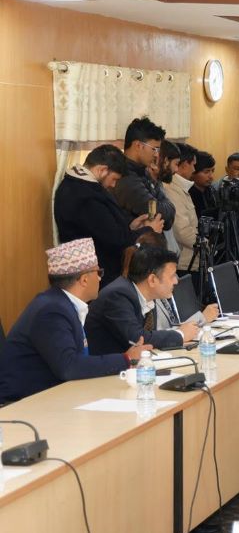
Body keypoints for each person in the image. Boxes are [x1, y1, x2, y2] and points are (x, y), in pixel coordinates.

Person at [0, 239, 147, 403]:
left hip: (49, 398)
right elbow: (69, 367)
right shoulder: (52, 310)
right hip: (20, 404)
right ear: (84, 279)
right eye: (98, 273)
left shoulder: (61, 304)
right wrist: (126, 358)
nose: (100, 279)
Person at [54, 144, 161, 287]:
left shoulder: (81, 186)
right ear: (102, 170)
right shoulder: (83, 195)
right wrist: (148, 230)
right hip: (94, 276)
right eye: (114, 179)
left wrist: (131, 227)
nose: (113, 185)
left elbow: (104, 228)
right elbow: (115, 240)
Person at [84, 245, 215, 354]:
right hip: (112, 373)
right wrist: (180, 334)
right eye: (172, 276)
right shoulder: (118, 295)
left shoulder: (146, 295)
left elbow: (152, 334)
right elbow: (138, 338)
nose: (176, 281)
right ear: (152, 280)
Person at [112, 116, 175, 231]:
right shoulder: (126, 178)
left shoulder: (143, 170)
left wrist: (166, 208)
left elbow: (169, 218)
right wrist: (166, 206)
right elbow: (161, 215)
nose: (157, 155)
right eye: (154, 149)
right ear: (138, 145)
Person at [162, 142, 200, 272]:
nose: (194, 170)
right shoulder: (171, 189)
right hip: (184, 263)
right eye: (193, 165)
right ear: (183, 165)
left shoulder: (180, 187)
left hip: (189, 260)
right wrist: (205, 245)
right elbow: (182, 231)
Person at [188, 150, 218, 218]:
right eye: (206, 172)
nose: (211, 176)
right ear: (193, 172)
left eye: (212, 171)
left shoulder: (212, 190)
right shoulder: (188, 193)